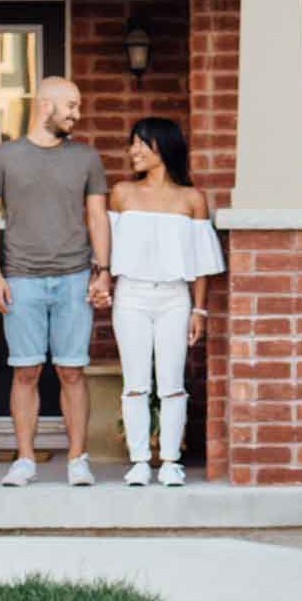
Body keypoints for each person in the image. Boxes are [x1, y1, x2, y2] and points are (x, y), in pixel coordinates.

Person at [0, 75, 111, 491]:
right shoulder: (4, 157)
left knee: (72, 371)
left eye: (78, 105)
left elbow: (97, 218)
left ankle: (77, 461)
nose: (77, 113)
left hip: (74, 279)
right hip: (21, 279)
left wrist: (102, 270)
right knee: (26, 372)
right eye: (70, 105)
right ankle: (24, 460)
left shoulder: (86, 158)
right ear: (45, 105)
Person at [107, 116, 223, 490]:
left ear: (164, 146)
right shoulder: (122, 193)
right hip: (131, 295)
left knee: (172, 384)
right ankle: (140, 460)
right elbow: (106, 247)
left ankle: (171, 461)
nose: (133, 151)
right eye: (132, 143)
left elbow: (203, 261)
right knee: (136, 384)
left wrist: (199, 310)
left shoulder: (192, 199)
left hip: (175, 297)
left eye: (142, 143)